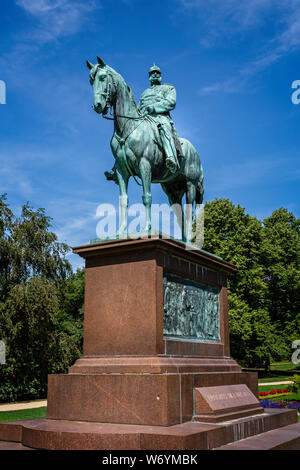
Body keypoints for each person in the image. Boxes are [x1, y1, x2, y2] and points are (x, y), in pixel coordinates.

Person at [105, 64, 182, 182]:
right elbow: (139, 108)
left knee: (164, 128)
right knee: (125, 136)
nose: (155, 75)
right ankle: (117, 167)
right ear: (149, 77)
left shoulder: (168, 88)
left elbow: (171, 103)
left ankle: (171, 157)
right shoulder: (145, 93)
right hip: (145, 119)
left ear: (160, 76)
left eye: (157, 73)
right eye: (152, 73)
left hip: (160, 117)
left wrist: (153, 108)